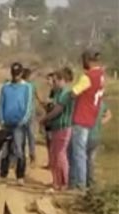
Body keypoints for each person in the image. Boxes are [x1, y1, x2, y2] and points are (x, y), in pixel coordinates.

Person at [69, 50, 106, 189]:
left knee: (79, 153)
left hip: (81, 117)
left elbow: (73, 93)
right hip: (91, 117)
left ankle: (80, 185)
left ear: (88, 61)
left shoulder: (88, 77)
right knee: (85, 153)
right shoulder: (101, 75)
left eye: (83, 60)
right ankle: (84, 183)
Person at [0, 62, 34, 184]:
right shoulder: (5, 87)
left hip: (19, 123)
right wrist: (1, 119)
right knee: (5, 149)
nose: (16, 77)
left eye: (18, 74)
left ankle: (20, 175)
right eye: (14, 74)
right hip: (7, 122)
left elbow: (28, 105)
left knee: (19, 149)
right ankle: (3, 174)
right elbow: (1, 104)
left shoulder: (27, 87)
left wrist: (23, 120)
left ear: (21, 73)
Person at [40, 68, 75, 191]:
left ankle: (64, 182)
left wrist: (45, 118)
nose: (53, 84)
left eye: (55, 81)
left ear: (63, 80)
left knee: (60, 155)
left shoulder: (66, 94)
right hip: (56, 127)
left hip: (63, 127)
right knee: (54, 155)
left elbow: (57, 110)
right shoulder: (59, 93)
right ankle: (56, 182)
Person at [87, 101, 113, 187]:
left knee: (83, 159)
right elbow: (109, 114)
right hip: (96, 136)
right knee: (91, 159)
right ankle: (91, 181)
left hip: (86, 136)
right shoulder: (100, 103)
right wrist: (100, 122)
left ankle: (85, 181)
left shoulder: (84, 103)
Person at [41, 71, 58, 168]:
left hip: (53, 120)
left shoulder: (57, 91)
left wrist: (49, 103)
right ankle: (50, 162)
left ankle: (54, 162)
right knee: (48, 141)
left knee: (53, 141)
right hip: (49, 119)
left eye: (49, 79)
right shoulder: (51, 91)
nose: (47, 81)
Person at [24, 68, 38, 164]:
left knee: (23, 135)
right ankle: (32, 156)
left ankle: (25, 156)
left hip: (24, 113)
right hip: (30, 113)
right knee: (30, 135)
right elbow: (37, 97)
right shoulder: (32, 86)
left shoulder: (23, 86)